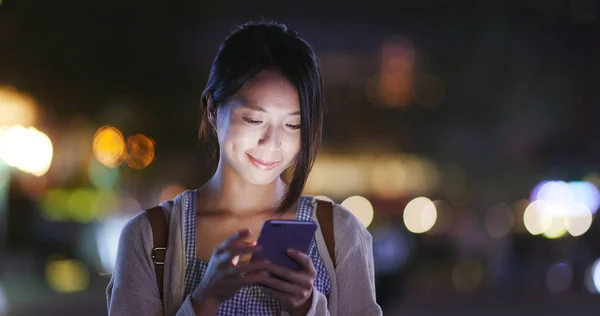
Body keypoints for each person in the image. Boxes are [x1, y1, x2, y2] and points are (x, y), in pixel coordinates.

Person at [106, 20, 382, 316]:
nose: (272, 142)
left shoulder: (338, 234)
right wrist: (204, 301)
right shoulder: (150, 237)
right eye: (253, 120)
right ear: (212, 109)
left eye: (293, 125)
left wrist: (307, 306)